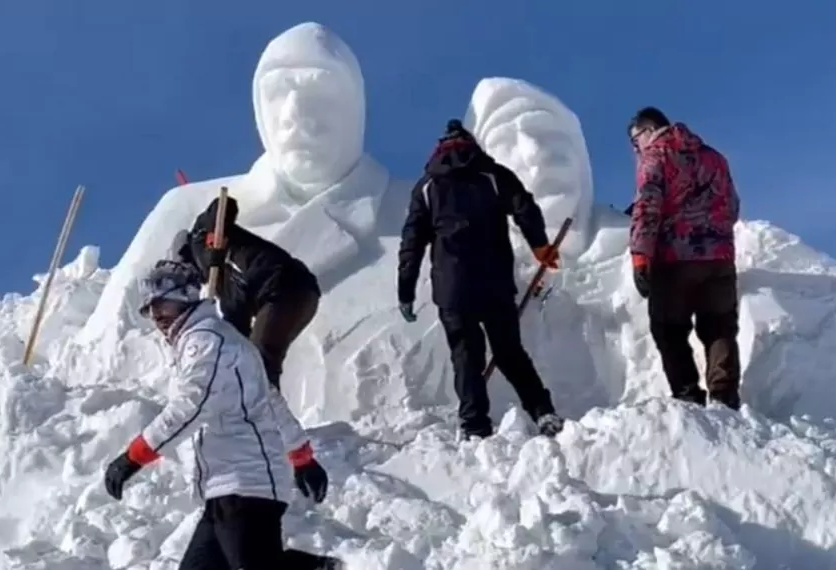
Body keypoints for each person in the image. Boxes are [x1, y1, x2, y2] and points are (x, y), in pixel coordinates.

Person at [102, 260, 339, 570]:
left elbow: (192, 406)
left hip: (246, 484)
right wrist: (301, 457)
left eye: (163, 303)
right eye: (150, 309)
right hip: (224, 490)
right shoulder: (212, 340)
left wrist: (133, 457)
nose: (157, 315)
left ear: (186, 297)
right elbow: (271, 402)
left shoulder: (208, 342)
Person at [396, 119, 565, 439]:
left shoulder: (427, 187)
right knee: (509, 351)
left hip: (452, 288)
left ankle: (475, 427)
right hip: (494, 280)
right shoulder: (492, 174)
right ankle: (543, 412)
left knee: (465, 356)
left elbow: (411, 243)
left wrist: (405, 289)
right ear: (472, 146)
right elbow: (524, 206)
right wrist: (539, 245)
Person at [625, 106, 742, 410]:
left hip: (674, 258)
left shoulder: (655, 156)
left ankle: (688, 396)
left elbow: (647, 207)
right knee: (720, 326)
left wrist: (640, 257)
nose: (636, 149)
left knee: (669, 327)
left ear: (649, 131)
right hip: (719, 257)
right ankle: (724, 396)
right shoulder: (714, 157)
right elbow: (732, 206)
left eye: (635, 141)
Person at [172, 196, 322, 391]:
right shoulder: (224, 291)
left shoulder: (199, 235)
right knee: (252, 364)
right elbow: (237, 334)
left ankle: (271, 416)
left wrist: (210, 249)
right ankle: (263, 413)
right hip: (297, 297)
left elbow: (225, 205)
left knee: (260, 362)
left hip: (283, 284)